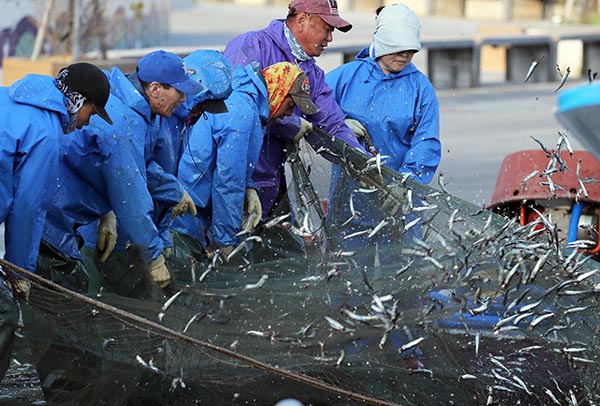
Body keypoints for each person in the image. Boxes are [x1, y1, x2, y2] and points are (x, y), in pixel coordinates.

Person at [40, 50, 202, 298]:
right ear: (155, 88)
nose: (182, 100)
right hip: (55, 216)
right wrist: (153, 257)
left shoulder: (138, 110)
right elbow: (131, 198)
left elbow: (138, 165)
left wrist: (173, 190)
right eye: (179, 92)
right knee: (63, 301)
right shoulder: (126, 122)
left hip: (73, 213)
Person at [223, 0, 365, 256]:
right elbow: (234, 108)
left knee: (283, 262)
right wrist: (289, 124)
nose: (330, 38)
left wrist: (364, 164)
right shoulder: (252, 46)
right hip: (235, 183)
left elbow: (331, 123)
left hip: (271, 185)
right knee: (230, 257)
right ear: (302, 19)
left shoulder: (311, 71)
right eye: (327, 28)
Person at [0, 62, 112, 381]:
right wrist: (19, 270)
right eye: (92, 111)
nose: (86, 122)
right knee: (4, 313)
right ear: (79, 101)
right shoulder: (46, 135)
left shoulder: (9, 98)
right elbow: (28, 208)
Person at [170, 61, 319, 280]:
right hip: (187, 212)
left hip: (190, 206)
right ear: (279, 91)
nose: (289, 114)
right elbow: (227, 182)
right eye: (290, 105)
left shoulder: (243, 100)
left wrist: (248, 187)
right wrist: (227, 242)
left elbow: (232, 165)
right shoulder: (242, 114)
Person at [325, 4, 441, 255]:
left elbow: (426, 143)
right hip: (351, 195)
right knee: (348, 270)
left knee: (401, 272)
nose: (404, 55)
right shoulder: (347, 76)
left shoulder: (420, 88)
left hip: (398, 198)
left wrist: (406, 183)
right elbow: (312, 105)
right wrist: (336, 123)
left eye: (410, 50)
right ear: (381, 42)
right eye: (397, 49)